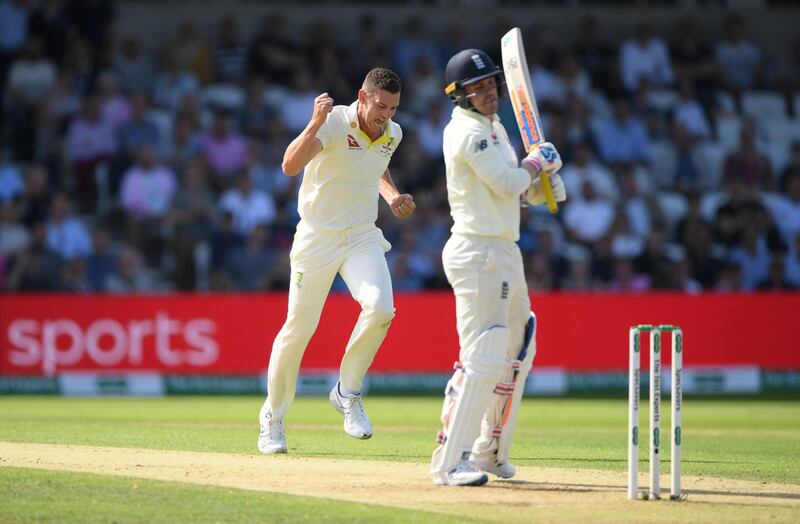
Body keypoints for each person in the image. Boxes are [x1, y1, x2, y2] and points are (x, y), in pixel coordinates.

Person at [258, 68, 415, 454]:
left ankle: (347, 391)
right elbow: (289, 166)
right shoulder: (331, 124)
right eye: (380, 106)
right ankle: (272, 419)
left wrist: (392, 195)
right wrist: (313, 124)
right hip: (316, 237)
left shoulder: (393, 133)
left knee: (381, 308)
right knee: (299, 329)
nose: (386, 115)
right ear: (362, 96)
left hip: (360, 235)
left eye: (393, 108)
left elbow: (376, 166)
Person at [430, 49, 566, 486]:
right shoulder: (468, 133)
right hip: (478, 252)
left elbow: (514, 192)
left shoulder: (494, 128)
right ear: (460, 95)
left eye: (491, 84)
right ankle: (450, 461)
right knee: (484, 353)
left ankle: (490, 451)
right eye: (478, 87)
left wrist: (543, 189)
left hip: (503, 249)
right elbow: (509, 180)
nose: (488, 93)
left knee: (519, 348)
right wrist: (534, 164)